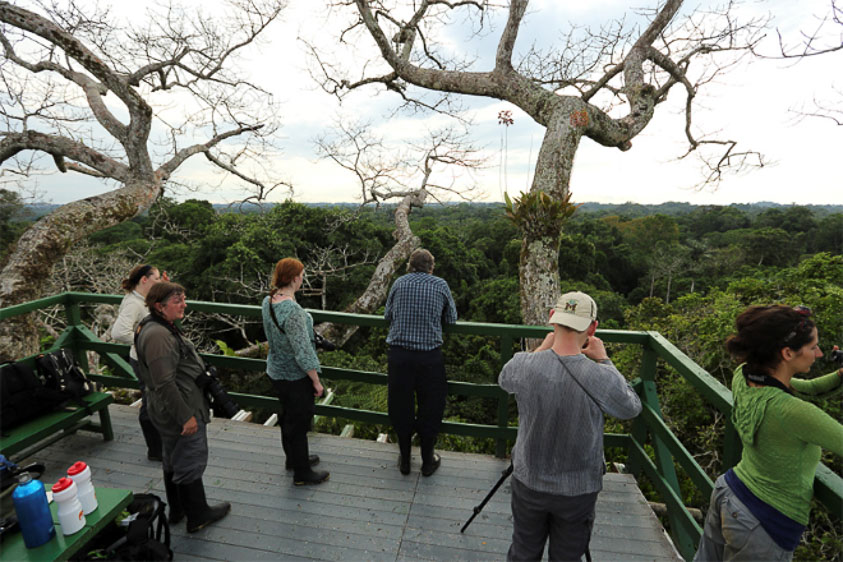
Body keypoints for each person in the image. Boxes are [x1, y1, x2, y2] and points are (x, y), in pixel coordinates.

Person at [499, 291, 642, 562]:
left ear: (552, 318)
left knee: (523, 551)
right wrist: (605, 360)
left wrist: (541, 348)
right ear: (592, 327)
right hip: (578, 489)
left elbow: (505, 379)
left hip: (529, 479)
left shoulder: (523, 365)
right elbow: (630, 407)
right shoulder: (600, 376)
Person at [694, 305, 843, 562]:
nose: (819, 353)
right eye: (813, 347)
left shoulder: (744, 375)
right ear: (787, 353)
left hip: (729, 493)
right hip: (763, 523)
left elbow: (808, 388)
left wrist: (840, 375)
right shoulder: (793, 412)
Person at [135, 282, 230, 532]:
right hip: (178, 408)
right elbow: (164, 382)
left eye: (183, 299)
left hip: (169, 407)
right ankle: (198, 514)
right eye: (178, 301)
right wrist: (186, 416)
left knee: (172, 457)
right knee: (189, 457)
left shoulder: (156, 326)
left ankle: (178, 509)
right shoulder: (158, 335)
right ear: (159, 306)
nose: (184, 305)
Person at [385, 248, 457, 476]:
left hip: (400, 356)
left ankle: (405, 459)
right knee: (431, 407)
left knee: (400, 406)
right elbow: (452, 319)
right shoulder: (440, 285)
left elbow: (388, 315)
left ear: (410, 265)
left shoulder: (399, 283)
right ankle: (427, 460)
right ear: (431, 267)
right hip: (429, 358)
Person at [261, 258, 329, 486]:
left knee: (288, 417)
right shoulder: (293, 311)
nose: (303, 278)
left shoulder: (268, 301)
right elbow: (303, 351)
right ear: (294, 278)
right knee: (299, 423)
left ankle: (294, 459)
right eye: (301, 275)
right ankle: (302, 473)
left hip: (276, 369)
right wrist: (316, 381)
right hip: (294, 375)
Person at [110, 264, 167, 461]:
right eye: (157, 278)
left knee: (155, 399)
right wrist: (145, 341)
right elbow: (118, 332)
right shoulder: (134, 303)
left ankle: (160, 445)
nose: (159, 281)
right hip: (143, 360)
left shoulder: (144, 299)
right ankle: (155, 450)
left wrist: (164, 288)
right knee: (150, 402)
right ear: (145, 279)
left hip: (150, 359)